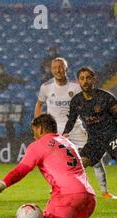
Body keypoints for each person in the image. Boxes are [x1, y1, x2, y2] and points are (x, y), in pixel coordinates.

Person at [0, 114, 99, 218]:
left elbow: (21, 170)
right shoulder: (67, 143)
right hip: (89, 199)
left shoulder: (38, 145)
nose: (33, 136)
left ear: (40, 129)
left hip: (68, 197)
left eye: (34, 132)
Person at [35, 58, 116, 199]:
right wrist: (43, 127)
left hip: (92, 131)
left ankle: (104, 191)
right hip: (65, 132)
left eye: (61, 67)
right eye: (55, 68)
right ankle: (60, 189)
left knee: (96, 160)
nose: (58, 70)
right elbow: (41, 106)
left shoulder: (88, 90)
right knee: (66, 162)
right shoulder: (49, 88)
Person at [63, 66, 117, 172]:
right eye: (82, 78)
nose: (85, 81)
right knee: (78, 165)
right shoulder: (76, 101)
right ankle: (71, 188)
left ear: (94, 79)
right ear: (78, 80)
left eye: (88, 78)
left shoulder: (106, 98)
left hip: (112, 136)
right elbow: (71, 120)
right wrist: (65, 133)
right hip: (95, 140)